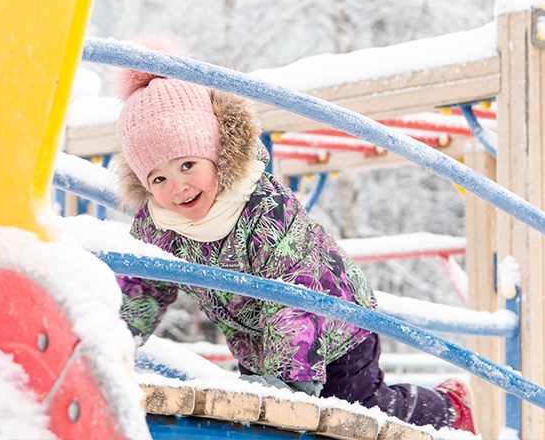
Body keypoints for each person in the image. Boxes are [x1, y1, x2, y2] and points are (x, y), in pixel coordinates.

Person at [112, 41, 476, 434]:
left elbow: (296, 292)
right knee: (266, 423)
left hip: (337, 323)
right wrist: (116, 340)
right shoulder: (159, 224)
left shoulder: (262, 207)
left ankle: (449, 408)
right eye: (159, 178)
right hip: (259, 342)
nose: (178, 187)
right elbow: (142, 287)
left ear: (215, 153)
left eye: (187, 165)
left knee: (360, 412)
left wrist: (290, 384)